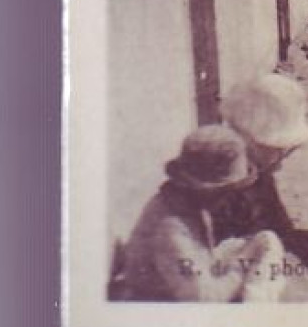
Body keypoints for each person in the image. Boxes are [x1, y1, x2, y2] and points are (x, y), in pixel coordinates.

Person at [116, 125, 286, 302]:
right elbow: (204, 299)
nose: (233, 197)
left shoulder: (190, 205)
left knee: (267, 242)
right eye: (229, 191)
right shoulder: (171, 227)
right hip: (158, 306)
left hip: (185, 285)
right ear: (210, 191)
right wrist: (244, 260)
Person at [215, 73, 308, 285]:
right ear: (252, 140)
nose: (282, 158)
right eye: (278, 151)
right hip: (243, 267)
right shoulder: (221, 184)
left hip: (271, 246)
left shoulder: (257, 171)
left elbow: (281, 229)